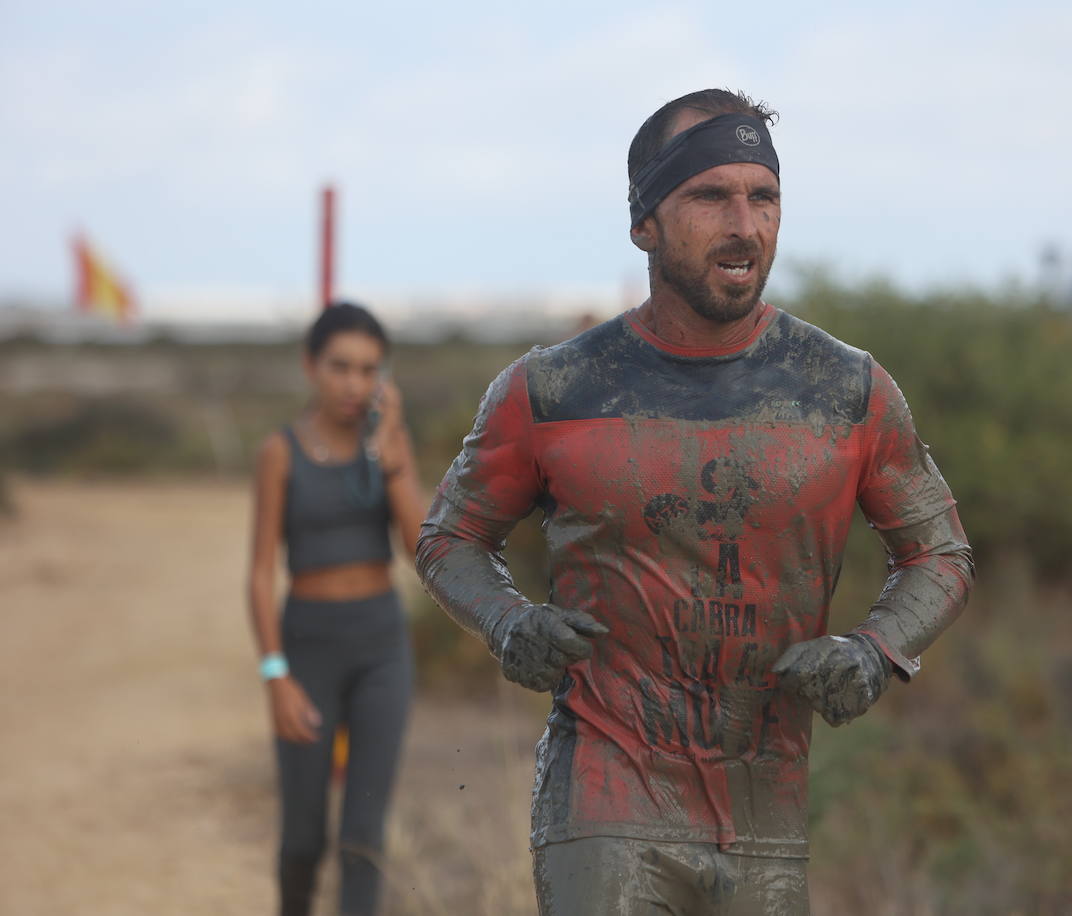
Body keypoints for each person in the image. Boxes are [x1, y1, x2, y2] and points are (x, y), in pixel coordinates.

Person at [416, 89, 974, 915]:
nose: (744, 224)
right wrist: (508, 622)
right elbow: (449, 537)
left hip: (765, 815)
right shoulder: (553, 390)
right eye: (712, 196)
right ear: (645, 223)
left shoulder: (847, 389)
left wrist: (874, 650)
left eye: (764, 196)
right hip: (603, 797)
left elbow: (941, 553)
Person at [247, 302, 424, 916]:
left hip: (381, 647)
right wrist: (276, 675)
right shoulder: (280, 451)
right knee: (303, 838)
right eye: (341, 367)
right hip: (308, 647)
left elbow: (419, 546)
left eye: (369, 369)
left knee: (363, 838)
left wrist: (392, 451)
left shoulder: (387, 445)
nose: (355, 384)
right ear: (311, 366)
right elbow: (259, 572)